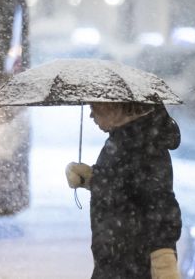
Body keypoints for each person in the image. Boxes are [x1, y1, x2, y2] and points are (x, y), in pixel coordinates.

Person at [65, 102, 182, 279]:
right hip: (116, 259)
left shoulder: (144, 145)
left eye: (94, 107)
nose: (90, 115)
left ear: (115, 107)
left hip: (134, 261)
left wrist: (163, 259)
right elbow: (122, 184)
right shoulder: (123, 139)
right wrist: (91, 178)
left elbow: (160, 204)